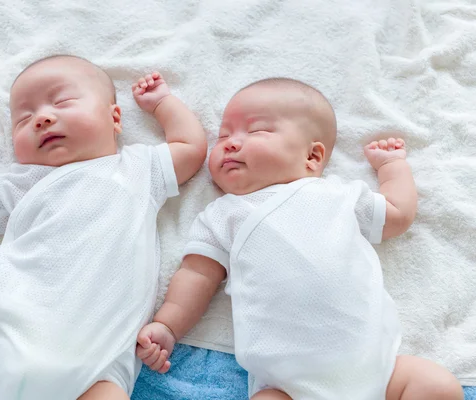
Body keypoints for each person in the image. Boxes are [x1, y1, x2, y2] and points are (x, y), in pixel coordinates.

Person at [136, 78, 464, 400]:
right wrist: (168, 325)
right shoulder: (222, 215)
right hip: (287, 386)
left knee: (437, 386)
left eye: (256, 131)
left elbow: (397, 213)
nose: (231, 143)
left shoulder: (338, 195)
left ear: (312, 157)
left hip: (378, 370)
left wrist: (392, 168)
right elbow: (196, 276)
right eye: (224, 135)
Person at [0, 55, 207, 400]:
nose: (41, 118)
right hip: (14, 341)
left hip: (101, 365)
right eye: (23, 119)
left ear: (114, 118)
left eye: (63, 102)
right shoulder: (26, 183)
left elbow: (190, 149)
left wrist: (162, 103)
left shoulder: (137, 167)